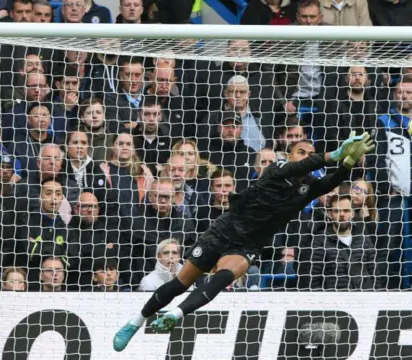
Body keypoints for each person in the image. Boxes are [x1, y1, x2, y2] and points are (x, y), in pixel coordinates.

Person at [113, 133, 374, 351]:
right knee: (180, 283)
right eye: (301, 152)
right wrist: (335, 154)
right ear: (289, 154)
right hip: (223, 231)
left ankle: (175, 315)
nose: (305, 157)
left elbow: (331, 181)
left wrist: (349, 161)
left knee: (223, 277)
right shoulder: (278, 168)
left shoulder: (307, 187)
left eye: (310, 153)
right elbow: (303, 166)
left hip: (248, 245)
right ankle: (135, 322)